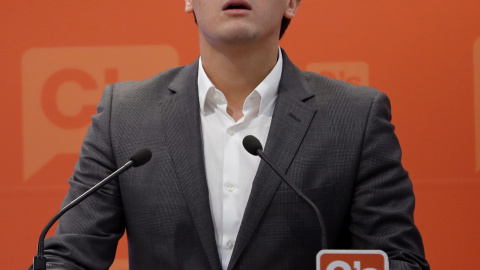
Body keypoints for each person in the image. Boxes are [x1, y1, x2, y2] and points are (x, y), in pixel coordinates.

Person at [36, 0, 430, 269]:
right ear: (189, 0)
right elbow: (70, 257)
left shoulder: (355, 117)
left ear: (291, 2)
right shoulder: (126, 115)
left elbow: (398, 258)